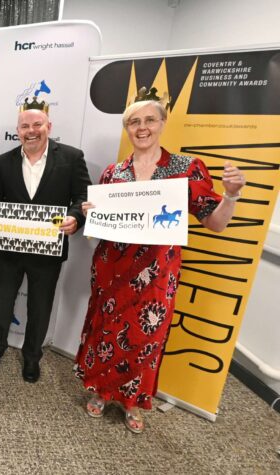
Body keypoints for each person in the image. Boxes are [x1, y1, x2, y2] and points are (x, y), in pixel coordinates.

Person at [74, 87, 245, 433]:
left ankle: (134, 401)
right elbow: (101, 221)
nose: (142, 127)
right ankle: (103, 391)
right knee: (105, 332)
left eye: (149, 119)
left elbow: (216, 223)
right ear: (127, 129)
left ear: (163, 123)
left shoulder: (187, 169)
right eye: (134, 121)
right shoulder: (113, 172)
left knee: (145, 340)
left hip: (156, 274)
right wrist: (91, 212)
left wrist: (231, 195)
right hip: (111, 269)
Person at [0, 97, 92, 382]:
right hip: (10, 248)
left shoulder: (71, 157)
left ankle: (32, 357)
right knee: (3, 301)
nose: (31, 131)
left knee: (40, 307)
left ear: (48, 126)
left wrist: (75, 218)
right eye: (25, 126)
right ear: (18, 131)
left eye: (37, 124)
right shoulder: (4, 161)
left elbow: (83, 197)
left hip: (48, 249)